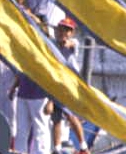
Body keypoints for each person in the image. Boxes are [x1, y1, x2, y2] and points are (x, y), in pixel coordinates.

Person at [51, 18, 88, 154]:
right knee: (57, 117)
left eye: (66, 30)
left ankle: (83, 147)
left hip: (70, 85)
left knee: (70, 115)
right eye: (61, 29)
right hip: (58, 84)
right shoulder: (53, 44)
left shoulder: (73, 43)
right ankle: (57, 148)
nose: (63, 32)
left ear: (71, 32)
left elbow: (70, 45)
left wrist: (65, 41)